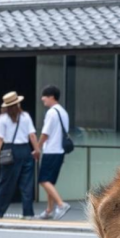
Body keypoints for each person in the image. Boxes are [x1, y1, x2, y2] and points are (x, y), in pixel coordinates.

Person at [0, 92, 40, 219]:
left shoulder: (2, 119)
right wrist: (37, 150)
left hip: (10, 150)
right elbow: (32, 135)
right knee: (26, 184)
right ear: (18, 103)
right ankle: (28, 213)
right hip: (25, 150)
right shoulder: (25, 116)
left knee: (5, 182)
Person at [35, 85, 72, 220]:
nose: (42, 99)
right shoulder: (63, 112)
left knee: (43, 179)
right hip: (60, 151)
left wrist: (37, 147)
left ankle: (61, 204)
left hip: (51, 150)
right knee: (50, 181)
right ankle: (49, 210)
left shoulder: (51, 112)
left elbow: (45, 133)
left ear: (51, 97)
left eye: (44, 96)